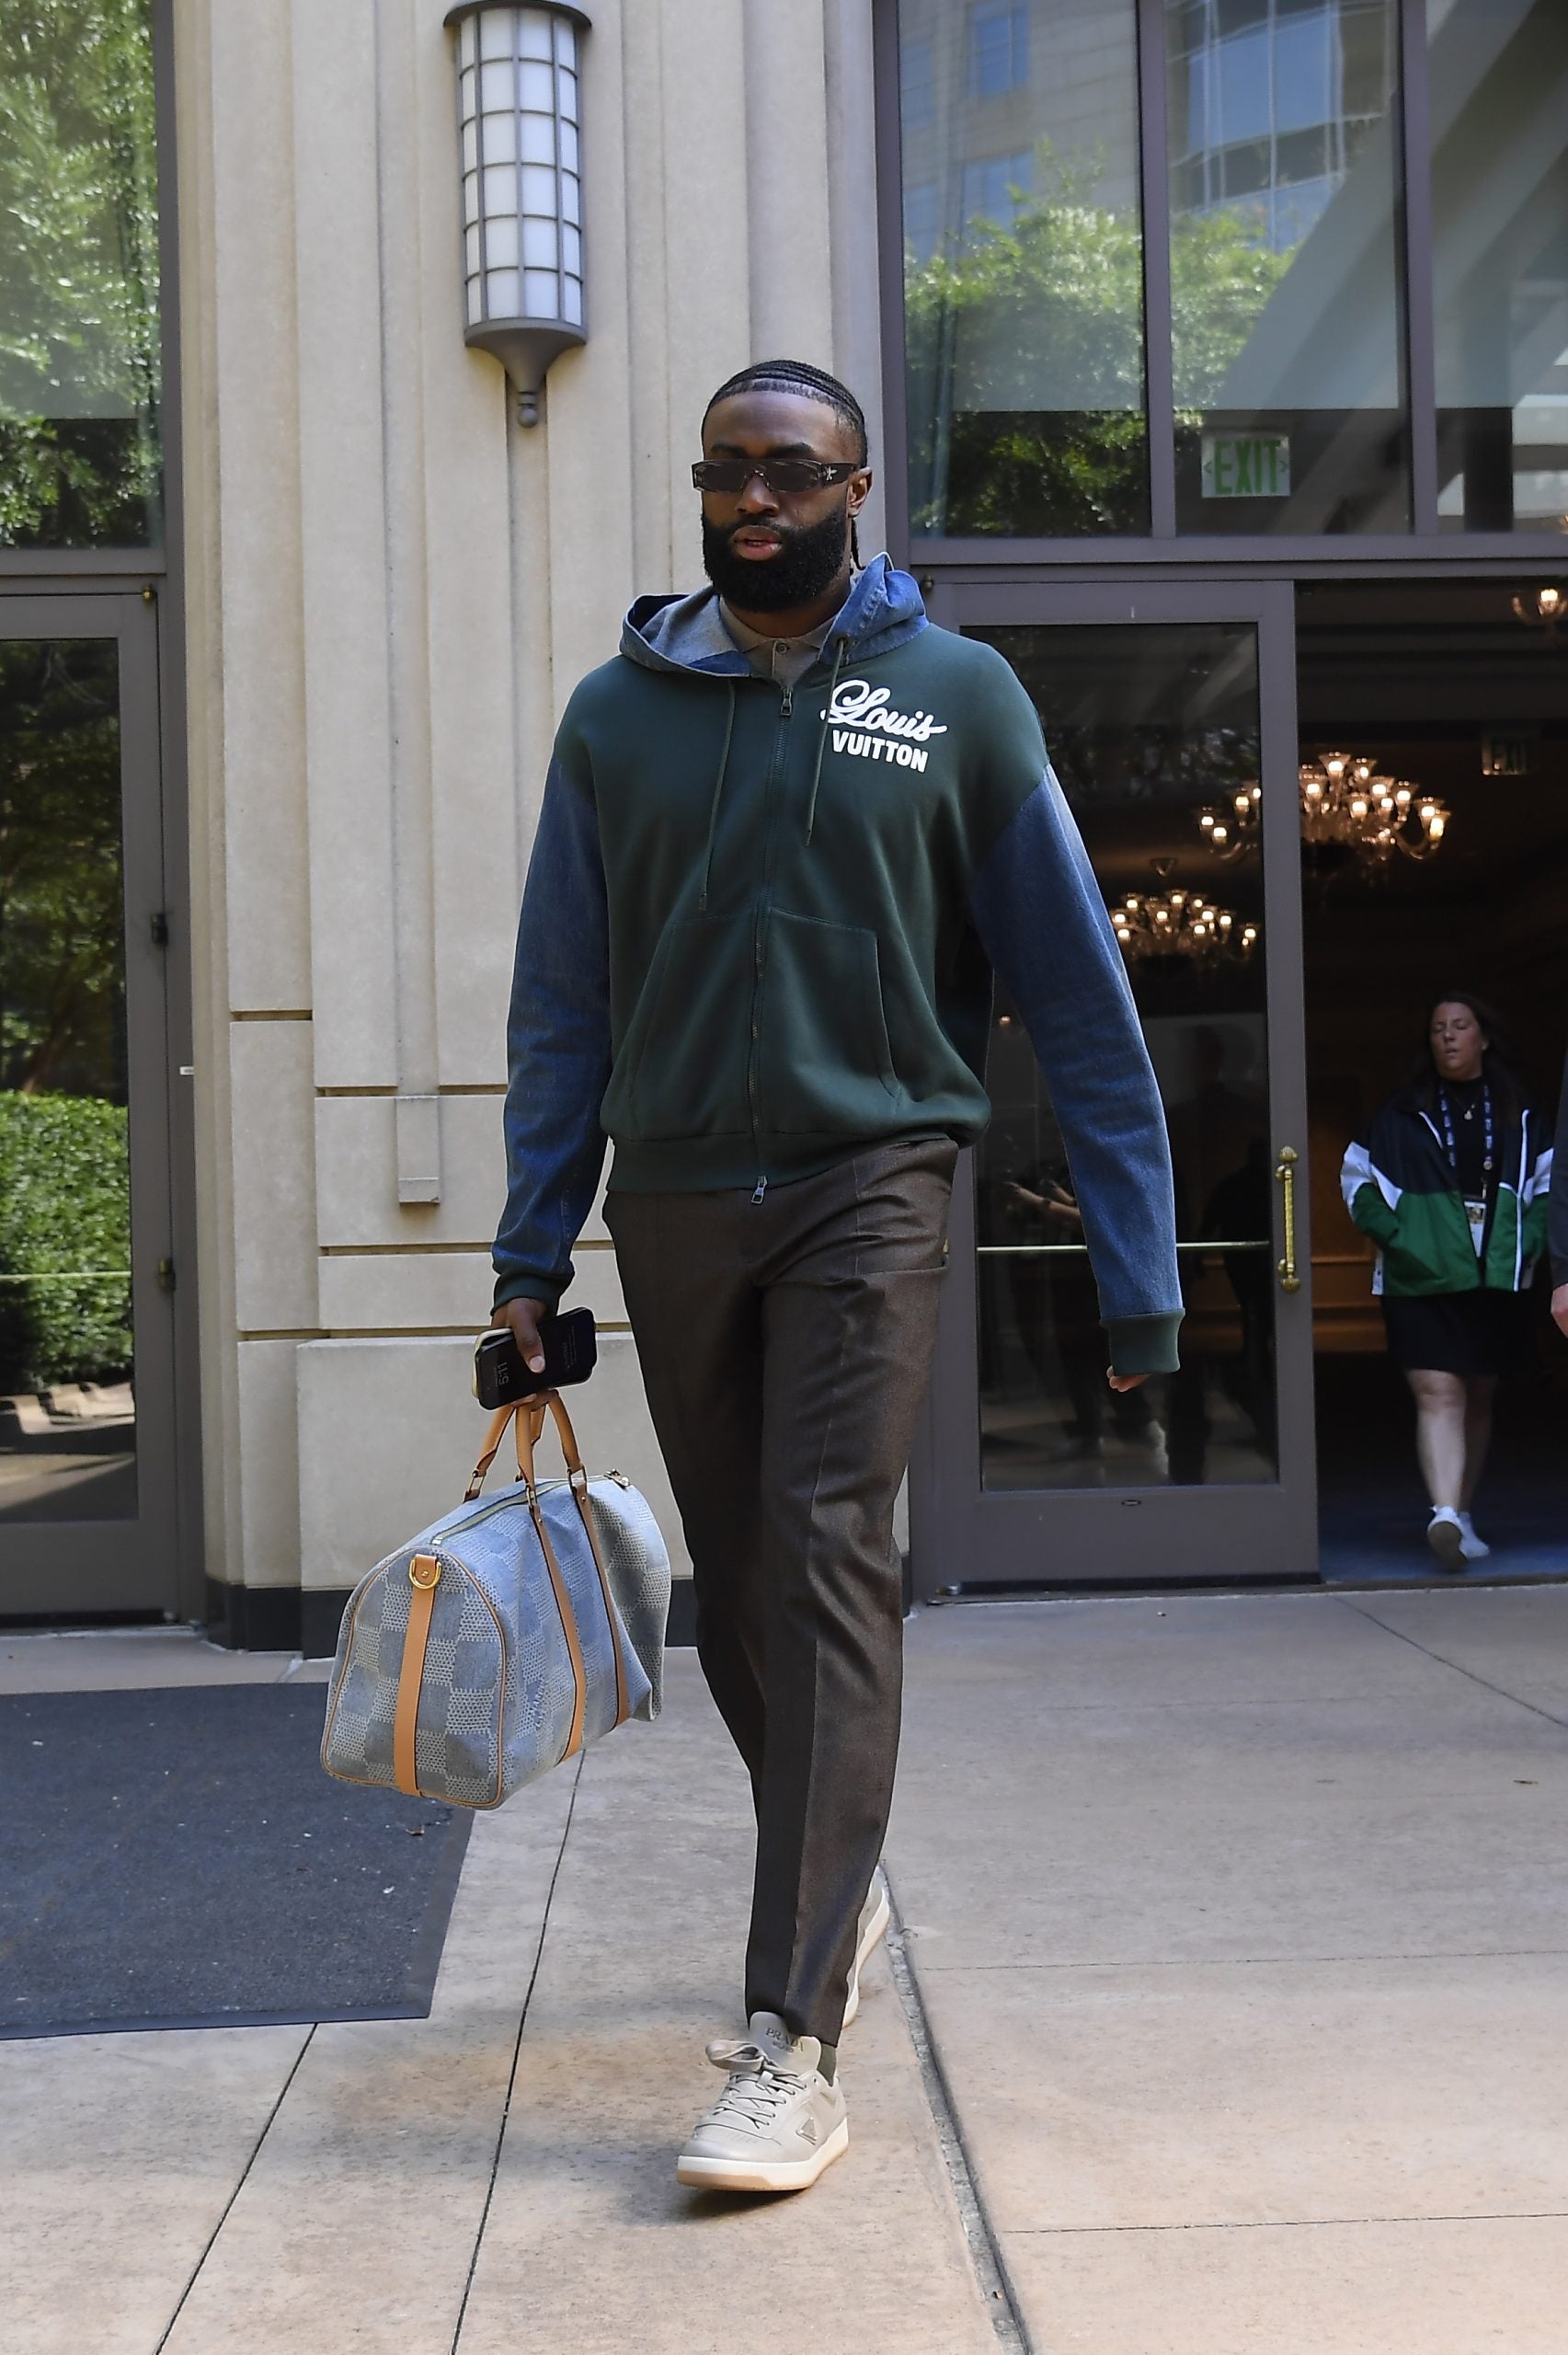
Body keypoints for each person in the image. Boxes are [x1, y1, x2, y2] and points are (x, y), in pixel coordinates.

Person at [489, 360, 1181, 2196]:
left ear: (856, 482)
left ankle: (791, 2033)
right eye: (724, 471)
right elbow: (564, 1001)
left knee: (827, 1546)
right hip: (682, 1195)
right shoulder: (613, 721)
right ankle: (838, 1888)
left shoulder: (957, 698)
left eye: (786, 469)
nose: (751, 500)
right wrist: (526, 1249)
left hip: (876, 1171)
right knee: (743, 1595)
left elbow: (1077, 994)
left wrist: (1140, 1268)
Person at [1341, 994, 1551, 1570]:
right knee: (1439, 1392)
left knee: (1479, 1394)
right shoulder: (1401, 1112)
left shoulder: (1522, 1112)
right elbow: (1356, 1179)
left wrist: (1528, 1242)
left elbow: (1549, 1187)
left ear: (1484, 1037)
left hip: (1496, 1273)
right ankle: (1444, 1513)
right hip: (1420, 1277)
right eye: (1438, 1029)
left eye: (1460, 1027)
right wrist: (1400, 1239)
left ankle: (1461, 1510)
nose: (1448, 1038)